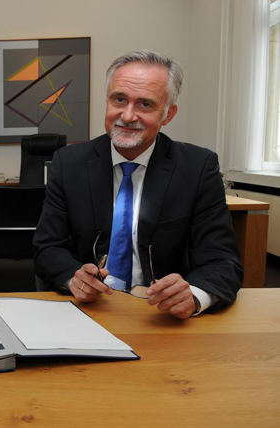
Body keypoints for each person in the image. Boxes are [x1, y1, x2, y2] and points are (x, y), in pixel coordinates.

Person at [34, 51, 243, 319]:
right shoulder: (69, 163)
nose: (128, 115)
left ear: (168, 115)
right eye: (119, 99)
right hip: (90, 310)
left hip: (161, 316)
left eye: (145, 104)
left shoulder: (197, 167)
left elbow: (222, 260)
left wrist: (193, 294)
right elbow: (47, 247)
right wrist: (71, 278)